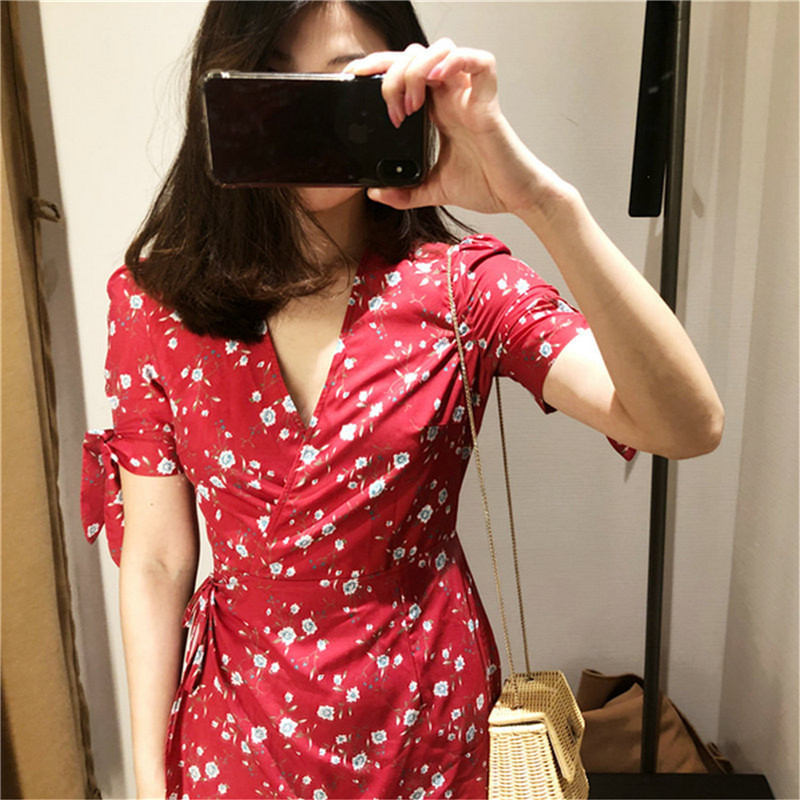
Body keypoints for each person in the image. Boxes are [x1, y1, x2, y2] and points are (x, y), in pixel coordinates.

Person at [80, 1, 724, 798]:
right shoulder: (157, 304)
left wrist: (539, 199)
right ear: (225, 93)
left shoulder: (461, 289)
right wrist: (149, 781)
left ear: (405, 91)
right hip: (240, 732)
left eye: (345, 83)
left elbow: (687, 425)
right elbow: (156, 559)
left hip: (425, 722)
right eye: (276, 81)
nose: (308, 117)